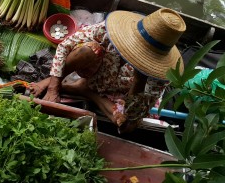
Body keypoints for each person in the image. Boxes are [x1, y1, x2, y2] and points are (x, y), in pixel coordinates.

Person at [30, 8, 186, 133]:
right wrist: (52, 87)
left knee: (126, 125)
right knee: (87, 50)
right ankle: (51, 82)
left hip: (120, 92)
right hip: (96, 72)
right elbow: (65, 45)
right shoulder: (109, 30)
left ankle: (85, 91)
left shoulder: (161, 75)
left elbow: (134, 115)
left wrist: (140, 80)